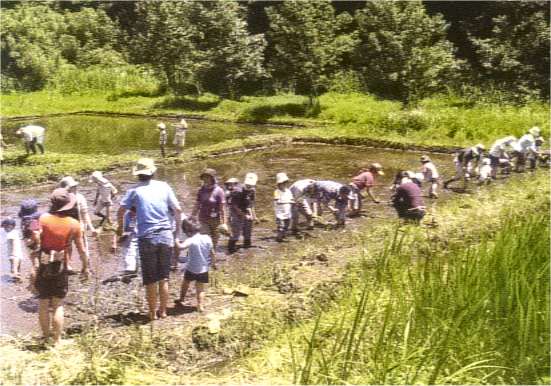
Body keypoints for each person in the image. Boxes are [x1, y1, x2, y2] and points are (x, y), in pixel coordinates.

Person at [117, 158, 182, 321]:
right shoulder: (164, 186)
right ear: (153, 172)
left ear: (138, 175)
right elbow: (178, 209)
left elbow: (120, 211)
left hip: (146, 236)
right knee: (164, 276)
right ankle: (163, 311)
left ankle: (152, 313)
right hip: (166, 234)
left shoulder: (134, 191)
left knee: (150, 278)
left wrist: (120, 228)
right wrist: (176, 233)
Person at [30, 188, 90, 346]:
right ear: (68, 205)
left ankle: (45, 337)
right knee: (57, 304)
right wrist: (85, 267)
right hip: (60, 265)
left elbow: (33, 233)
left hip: (43, 264)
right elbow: (82, 250)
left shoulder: (41, 218)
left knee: (43, 303)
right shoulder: (74, 224)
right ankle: (57, 341)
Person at [175, 218, 216, 312]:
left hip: (191, 268)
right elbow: (212, 253)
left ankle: (181, 299)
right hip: (203, 269)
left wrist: (176, 239)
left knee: (185, 283)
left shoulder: (191, 240)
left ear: (187, 231)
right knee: (200, 288)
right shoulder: (207, 238)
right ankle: (200, 306)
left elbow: (181, 247)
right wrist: (213, 263)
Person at [191, 168, 227, 250]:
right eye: (204, 177)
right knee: (205, 239)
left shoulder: (219, 191)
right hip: (203, 219)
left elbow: (223, 209)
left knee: (214, 241)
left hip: (216, 220)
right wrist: (192, 215)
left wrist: (224, 223)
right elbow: (197, 204)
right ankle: (205, 259)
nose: (205, 179)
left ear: (212, 178)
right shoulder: (201, 190)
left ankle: (212, 260)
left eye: (207, 177)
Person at [225, 177, 252, 254]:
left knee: (247, 229)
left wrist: (250, 214)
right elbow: (233, 206)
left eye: (232, 185)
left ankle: (246, 245)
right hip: (235, 213)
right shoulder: (234, 193)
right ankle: (231, 250)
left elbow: (249, 204)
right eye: (229, 185)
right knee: (235, 231)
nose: (230, 187)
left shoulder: (248, 191)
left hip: (242, 211)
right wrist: (244, 215)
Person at [273, 173, 294, 242]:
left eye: (285, 183)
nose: (284, 185)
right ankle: (279, 238)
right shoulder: (277, 192)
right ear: (279, 184)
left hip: (288, 213)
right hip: (280, 214)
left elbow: (291, 199)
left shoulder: (288, 191)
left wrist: (293, 202)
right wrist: (288, 202)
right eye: (282, 183)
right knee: (281, 227)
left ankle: (283, 237)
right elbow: (277, 201)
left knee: (286, 226)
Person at [242, 172, 258, 248]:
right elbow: (235, 205)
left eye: (251, 185)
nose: (249, 186)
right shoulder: (239, 190)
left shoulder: (253, 191)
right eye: (248, 185)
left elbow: (252, 204)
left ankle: (247, 244)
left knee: (248, 230)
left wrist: (254, 216)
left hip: (248, 211)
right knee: (238, 231)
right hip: (239, 211)